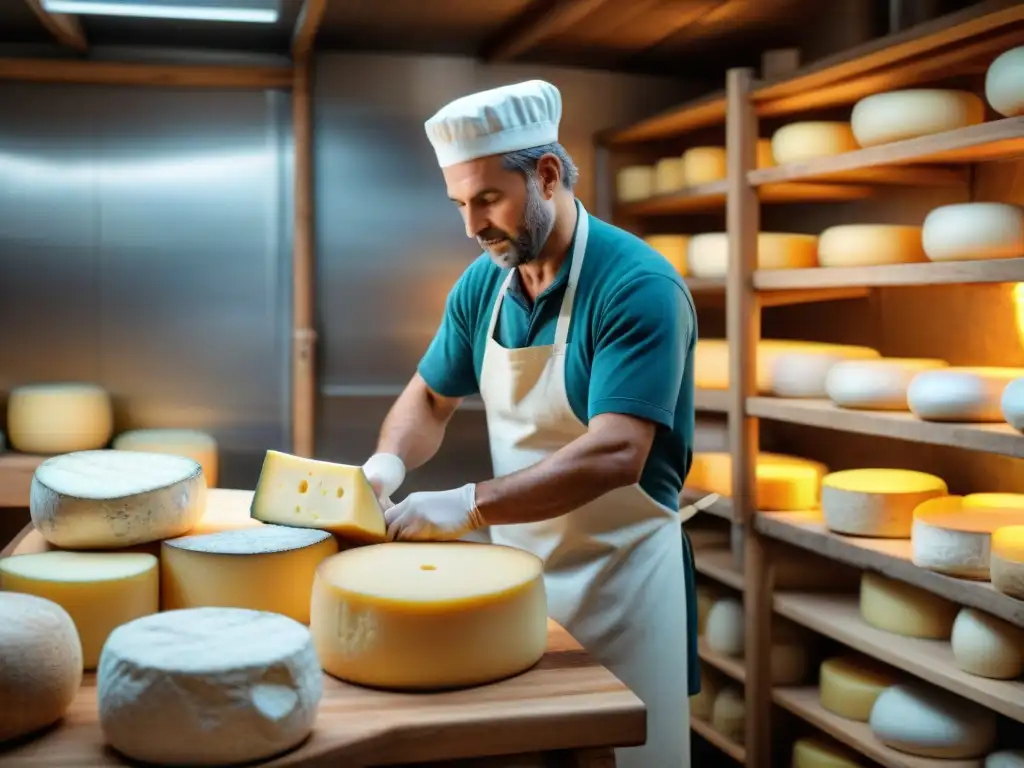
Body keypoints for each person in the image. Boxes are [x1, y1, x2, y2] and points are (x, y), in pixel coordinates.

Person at [360, 79, 699, 768]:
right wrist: (387, 465)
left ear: (546, 174)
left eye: (487, 199)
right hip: (522, 585)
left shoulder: (636, 288)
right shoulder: (484, 284)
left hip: (625, 585)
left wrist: (468, 504)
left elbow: (615, 454)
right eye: (459, 204)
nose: (471, 226)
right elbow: (427, 400)